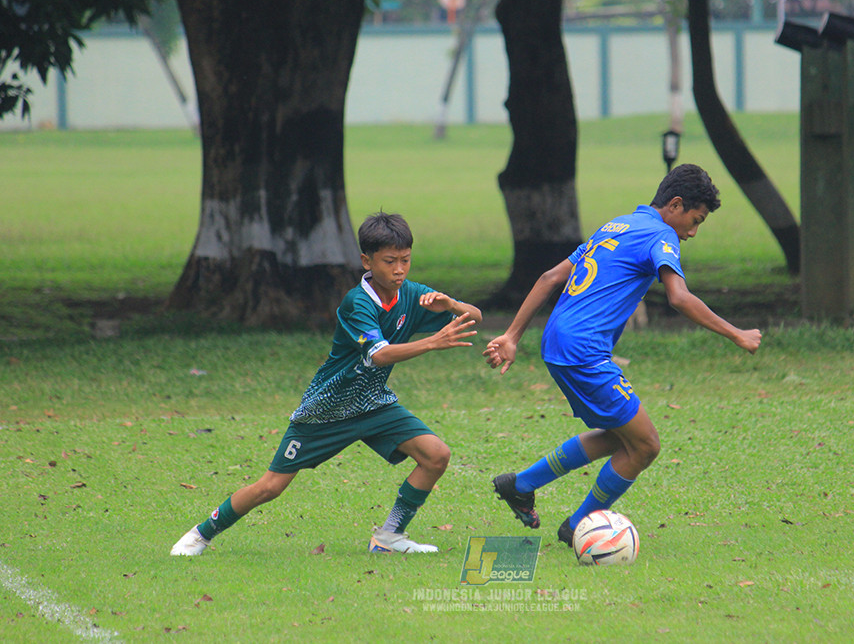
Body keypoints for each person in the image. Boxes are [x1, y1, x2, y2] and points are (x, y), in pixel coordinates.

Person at [171, 212, 482, 555]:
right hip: (327, 410)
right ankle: (201, 534)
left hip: (373, 403)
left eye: (405, 260)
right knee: (271, 486)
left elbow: (475, 317)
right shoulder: (357, 303)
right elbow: (379, 354)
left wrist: (452, 304)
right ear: (367, 261)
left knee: (436, 455)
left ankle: (389, 537)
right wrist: (433, 342)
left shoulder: (411, 293)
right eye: (389, 261)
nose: (399, 270)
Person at [483, 163, 761, 546]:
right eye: (695, 220)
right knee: (646, 446)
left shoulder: (618, 225)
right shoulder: (662, 235)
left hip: (558, 343)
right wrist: (736, 334)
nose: (693, 232)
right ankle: (578, 527)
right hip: (584, 351)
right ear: (675, 205)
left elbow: (550, 277)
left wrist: (513, 335)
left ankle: (521, 485)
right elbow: (679, 297)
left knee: (621, 437)